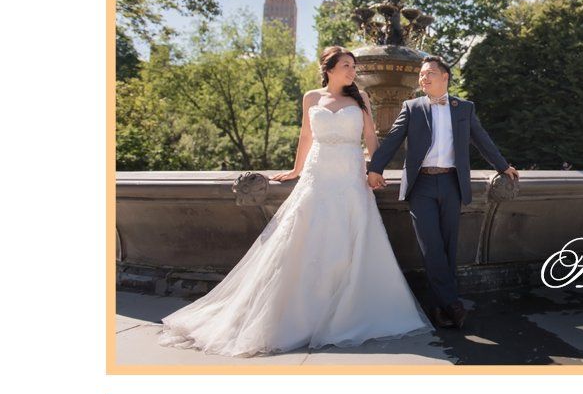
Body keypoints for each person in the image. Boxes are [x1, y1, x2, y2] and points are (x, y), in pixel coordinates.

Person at [159, 47, 430, 356]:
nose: (352, 71)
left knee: (352, 238)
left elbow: (370, 137)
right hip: (319, 174)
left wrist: (375, 169)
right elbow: (305, 136)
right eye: (346, 66)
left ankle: (349, 311)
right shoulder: (311, 97)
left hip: (350, 177)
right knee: (305, 236)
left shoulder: (362, 98)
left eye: (354, 66)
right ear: (329, 69)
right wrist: (297, 169)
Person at [365, 55, 521, 330]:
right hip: (421, 185)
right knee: (432, 246)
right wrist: (374, 168)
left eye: (429, 74)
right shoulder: (412, 107)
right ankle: (454, 303)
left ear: (445, 77)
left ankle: (440, 308)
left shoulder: (464, 108)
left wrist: (503, 165)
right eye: (422, 75)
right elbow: (393, 139)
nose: (423, 78)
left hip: (452, 183)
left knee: (449, 246)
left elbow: (482, 139)